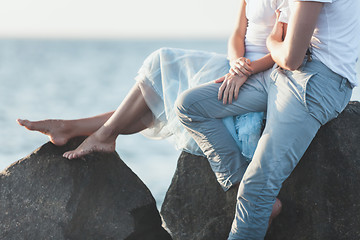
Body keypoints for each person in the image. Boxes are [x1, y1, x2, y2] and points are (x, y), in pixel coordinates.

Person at [18, 0, 288, 226]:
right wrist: (235, 63)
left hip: (262, 76)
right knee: (160, 82)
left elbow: (286, 49)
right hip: (233, 66)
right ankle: (82, 130)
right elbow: (238, 33)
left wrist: (246, 71)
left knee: (163, 71)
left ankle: (87, 131)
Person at [175, 0, 360, 239]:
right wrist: (243, 67)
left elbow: (290, 56)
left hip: (315, 80)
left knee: (258, 186)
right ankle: (239, 182)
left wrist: (272, 42)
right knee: (190, 105)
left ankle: (253, 197)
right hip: (280, 73)